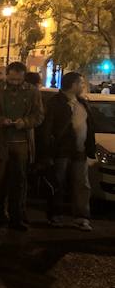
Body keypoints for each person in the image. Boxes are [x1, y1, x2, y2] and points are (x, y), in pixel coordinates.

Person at [0, 61, 44, 230]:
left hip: (21, 144)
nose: (14, 83)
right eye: (11, 79)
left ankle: (17, 217)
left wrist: (24, 122)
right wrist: (1, 120)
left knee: (19, 183)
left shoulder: (32, 92)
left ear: (24, 78)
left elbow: (39, 115)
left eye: (18, 80)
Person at [41, 71, 95, 231]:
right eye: (81, 83)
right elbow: (47, 129)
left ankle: (81, 216)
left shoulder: (82, 103)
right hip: (60, 150)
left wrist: (90, 149)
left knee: (82, 184)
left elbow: (89, 127)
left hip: (80, 150)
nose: (83, 87)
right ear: (73, 85)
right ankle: (55, 215)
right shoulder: (55, 103)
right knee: (58, 183)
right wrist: (47, 152)